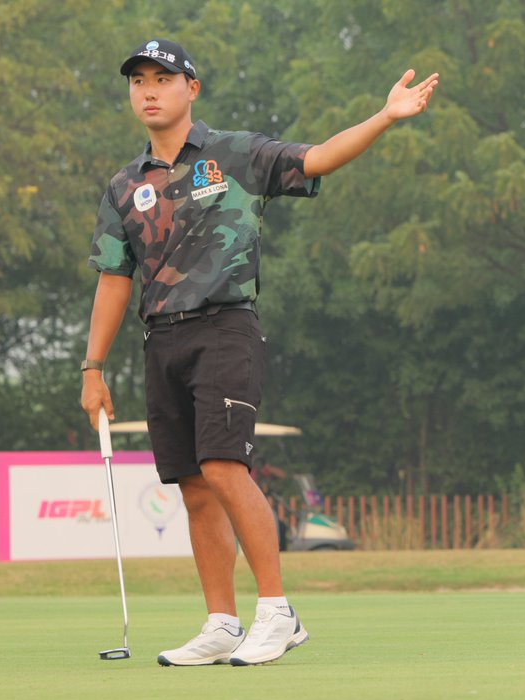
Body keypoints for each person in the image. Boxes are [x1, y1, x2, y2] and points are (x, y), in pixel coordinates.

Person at [80, 39, 437, 666]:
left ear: (192, 88)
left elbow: (320, 157)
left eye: (163, 78)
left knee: (222, 466)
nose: (149, 90)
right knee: (191, 486)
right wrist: (92, 367)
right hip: (160, 338)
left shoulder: (236, 154)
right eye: (138, 80)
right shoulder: (124, 187)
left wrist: (384, 116)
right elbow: (114, 279)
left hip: (225, 328)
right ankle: (221, 621)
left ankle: (277, 611)